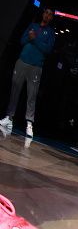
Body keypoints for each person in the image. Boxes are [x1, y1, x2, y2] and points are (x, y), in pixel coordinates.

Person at [0, 9, 55, 138]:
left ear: (51, 18)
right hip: (22, 62)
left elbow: (47, 49)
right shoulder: (33, 26)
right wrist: (29, 38)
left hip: (36, 67)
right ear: (43, 14)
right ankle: (9, 118)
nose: (47, 15)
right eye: (46, 13)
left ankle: (29, 124)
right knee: (15, 90)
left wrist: (34, 39)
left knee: (32, 95)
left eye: (50, 14)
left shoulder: (51, 32)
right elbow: (22, 41)